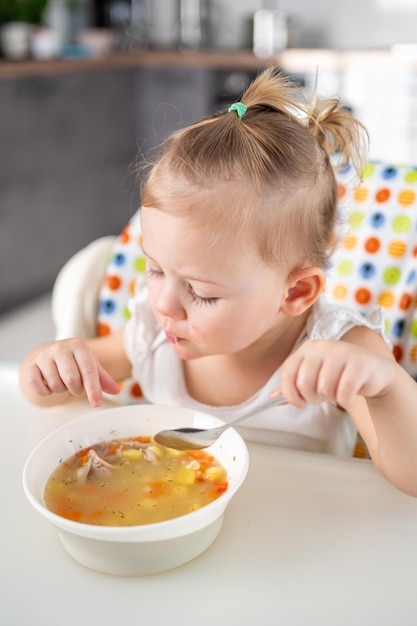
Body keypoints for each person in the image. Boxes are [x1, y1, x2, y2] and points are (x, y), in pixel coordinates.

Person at [19, 67, 417, 496]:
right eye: (154, 269)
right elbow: (46, 397)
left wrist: (384, 386)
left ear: (297, 291)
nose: (164, 303)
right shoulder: (153, 333)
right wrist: (48, 365)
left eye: (201, 292)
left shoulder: (343, 351)